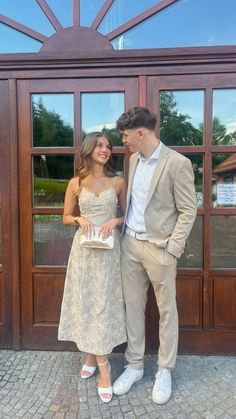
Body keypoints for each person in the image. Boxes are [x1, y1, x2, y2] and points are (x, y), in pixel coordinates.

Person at [112, 107, 197, 404]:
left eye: (125, 135)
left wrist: (173, 248)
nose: (123, 141)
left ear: (140, 132)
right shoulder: (133, 160)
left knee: (167, 310)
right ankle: (135, 365)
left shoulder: (178, 163)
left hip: (159, 249)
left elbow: (188, 210)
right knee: (132, 308)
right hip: (130, 247)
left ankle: (164, 369)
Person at [58, 132, 127, 403]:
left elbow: (128, 214)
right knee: (88, 302)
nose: (105, 150)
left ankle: (103, 367)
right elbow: (64, 217)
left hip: (109, 251)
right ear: (88, 149)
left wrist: (115, 221)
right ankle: (95, 355)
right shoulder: (75, 182)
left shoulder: (118, 181)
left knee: (104, 303)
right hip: (84, 252)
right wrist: (77, 218)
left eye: (108, 146)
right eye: (99, 145)